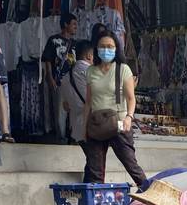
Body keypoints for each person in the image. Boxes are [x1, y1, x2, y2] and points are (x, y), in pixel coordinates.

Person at [83, 30, 147, 188]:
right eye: (102, 46)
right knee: (94, 171)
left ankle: (153, 198)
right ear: (96, 49)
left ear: (116, 49)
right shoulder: (91, 71)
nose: (106, 49)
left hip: (119, 123)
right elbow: (88, 102)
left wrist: (129, 118)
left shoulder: (123, 69)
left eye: (110, 46)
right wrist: (84, 127)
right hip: (96, 124)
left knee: (131, 165)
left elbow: (131, 98)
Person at [43, 12, 78, 143]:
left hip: (73, 84)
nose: (76, 27)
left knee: (74, 111)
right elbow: (48, 60)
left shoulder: (76, 44)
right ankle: (61, 139)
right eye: (73, 24)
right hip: (58, 82)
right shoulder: (53, 40)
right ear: (65, 24)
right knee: (60, 113)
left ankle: (74, 137)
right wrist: (50, 78)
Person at [61, 40, 93, 181]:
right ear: (89, 55)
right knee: (95, 162)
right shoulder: (91, 72)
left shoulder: (66, 77)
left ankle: (86, 192)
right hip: (91, 123)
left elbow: (65, 105)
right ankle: (90, 194)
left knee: (92, 160)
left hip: (76, 126)